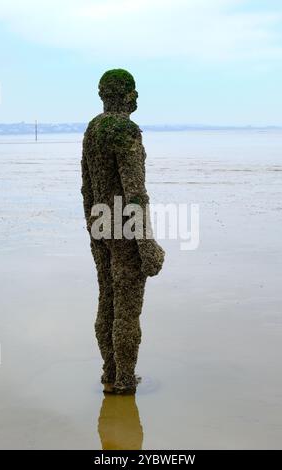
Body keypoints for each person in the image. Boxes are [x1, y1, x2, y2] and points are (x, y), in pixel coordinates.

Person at [81, 69, 164, 394]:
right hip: (125, 229)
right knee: (127, 309)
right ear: (127, 95)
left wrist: (92, 227)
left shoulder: (93, 129)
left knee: (107, 301)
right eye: (134, 91)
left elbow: (87, 187)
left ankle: (109, 372)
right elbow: (135, 193)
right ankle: (125, 381)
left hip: (100, 226)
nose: (137, 97)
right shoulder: (125, 130)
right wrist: (147, 245)